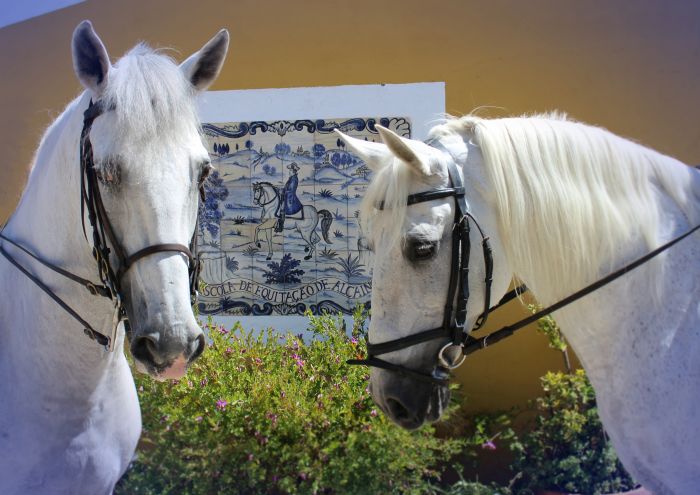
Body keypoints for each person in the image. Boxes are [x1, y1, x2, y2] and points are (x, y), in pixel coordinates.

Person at [275, 162, 303, 232]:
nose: (289, 172)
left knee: (282, 208)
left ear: (293, 171)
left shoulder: (294, 179)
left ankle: (280, 227)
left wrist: (283, 191)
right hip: (287, 195)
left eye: (290, 170)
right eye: (289, 170)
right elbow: (286, 188)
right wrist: (281, 189)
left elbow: (291, 190)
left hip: (290, 198)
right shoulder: (291, 178)